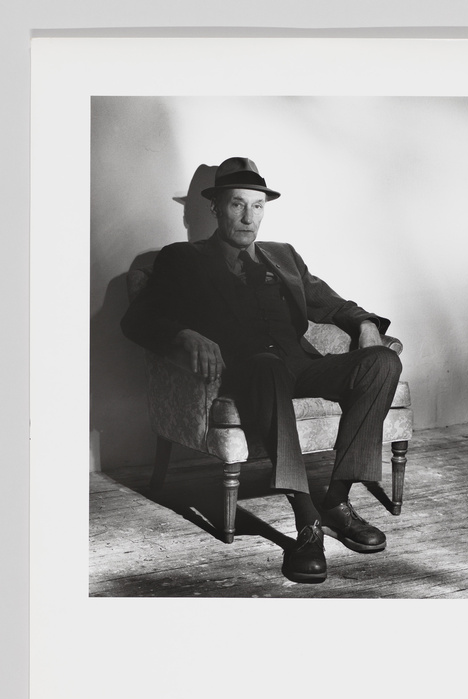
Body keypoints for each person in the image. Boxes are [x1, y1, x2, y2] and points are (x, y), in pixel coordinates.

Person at [121, 157, 402, 584]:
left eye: (257, 205)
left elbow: (332, 303)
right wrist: (183, 334)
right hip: (248, 371)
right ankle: (307, 520)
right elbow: (138, 320)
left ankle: (337, 502)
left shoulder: (283, 257)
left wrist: (364, 324)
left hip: (300, 365)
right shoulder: (182, 259)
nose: (248, 217)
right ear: (215, 208)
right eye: (237, 205)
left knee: (383, 361)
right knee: (268, 367)